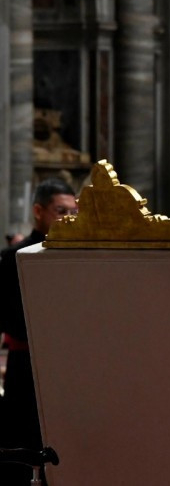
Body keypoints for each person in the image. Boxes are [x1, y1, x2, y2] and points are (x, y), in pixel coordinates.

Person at [0, 178, 77, 484]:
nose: (69, 218)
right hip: (25, 365)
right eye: (61, 211)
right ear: (38, 211)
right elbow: (8, 316)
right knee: (24, 446)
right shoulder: (13, 256)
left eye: (74, 212)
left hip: (66, 366)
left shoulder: (76, 255)